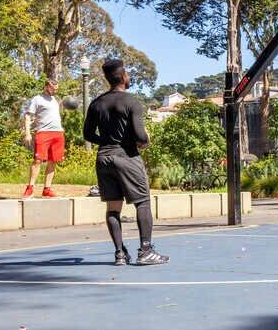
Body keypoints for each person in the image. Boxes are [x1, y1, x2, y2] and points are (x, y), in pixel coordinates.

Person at [83, 59, 168, 266]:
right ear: (123, 77)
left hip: (104, 158)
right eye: (128, 74)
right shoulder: (132, 103)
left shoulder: (96, 103)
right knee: (143, 201)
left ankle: (120, 253)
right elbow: (140, 136)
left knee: (113, 206)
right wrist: (145, 140)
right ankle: (146, 251)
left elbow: (87, 134)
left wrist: (107, 141)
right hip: (127, 158)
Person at [21, 78, 65, 199]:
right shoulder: (37, 99)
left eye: (56, 89)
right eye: (53, 89)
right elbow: (27, 116)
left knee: (53, 161)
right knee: (38, 160)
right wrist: (27, 133)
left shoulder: (54, 99)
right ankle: (30, 189)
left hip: (58, 133)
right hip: (43, 133)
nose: (55, 91)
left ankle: (47, 189)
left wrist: (65, 102)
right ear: (46, 87)